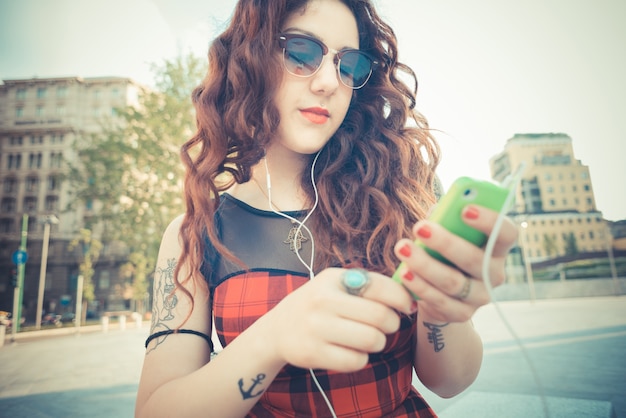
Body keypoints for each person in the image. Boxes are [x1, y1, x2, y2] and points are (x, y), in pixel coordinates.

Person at [135, 1, 518, 417]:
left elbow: (450, 381)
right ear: (249, 60)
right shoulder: (197, 233)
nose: (329, 82)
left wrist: (443, 312)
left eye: (348, 64)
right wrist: (275, 336)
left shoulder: (399, 203)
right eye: (301, 53)